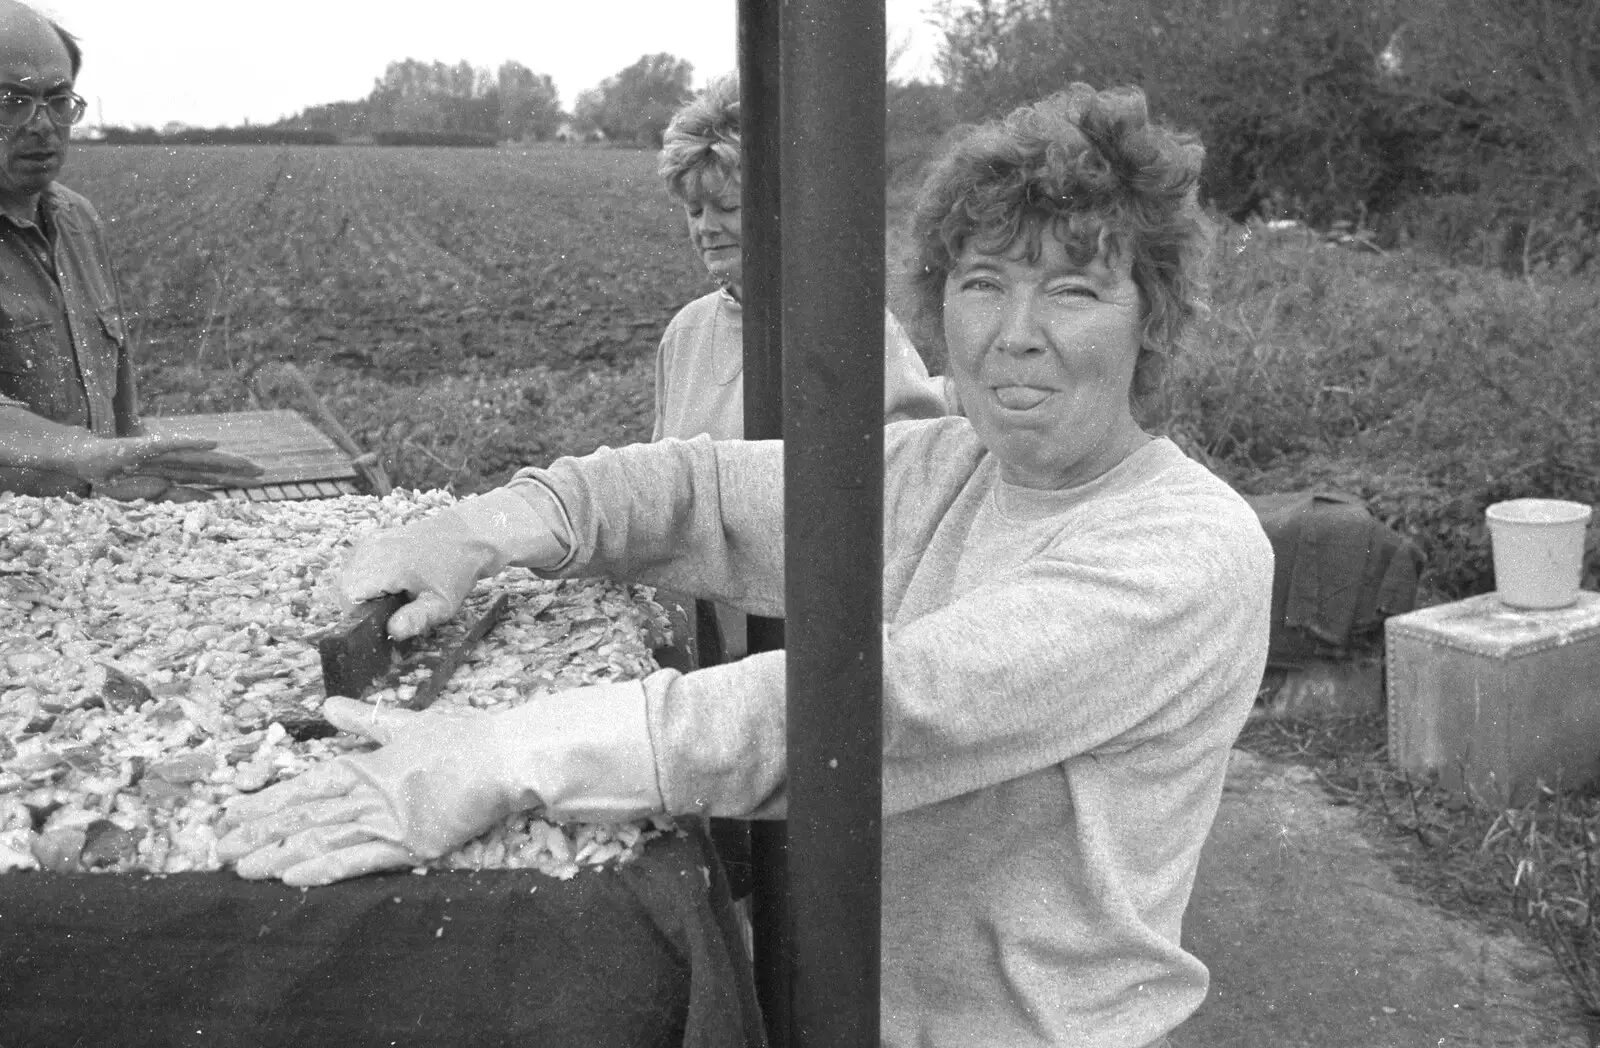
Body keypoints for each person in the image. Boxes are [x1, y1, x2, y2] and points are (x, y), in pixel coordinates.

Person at [219, 84, 1274, 1048]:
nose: (1014, 335)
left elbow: (875, 709)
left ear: (1153, 321)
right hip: (849, 1002)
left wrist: (493, 751)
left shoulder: (1185, 551)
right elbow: (699, 489)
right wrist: (479, 530)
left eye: (1074, 292)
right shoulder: (942, 464)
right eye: (982, 282)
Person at [654, 74, 956, 660]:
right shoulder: (684, 333)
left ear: (786, 208)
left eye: (728, 206)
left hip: (815, 651)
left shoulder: (851, 331)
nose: (705, 227)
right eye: (693, 209)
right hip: (711, 648)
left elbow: (906, 508)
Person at [0, 0, 260, 498]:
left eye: (58, 100)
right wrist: (78, 451)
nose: (42, 124)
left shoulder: (77, 221)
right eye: (12, 101)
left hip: (89, 540)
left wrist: (139, 475)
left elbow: (114, 407)